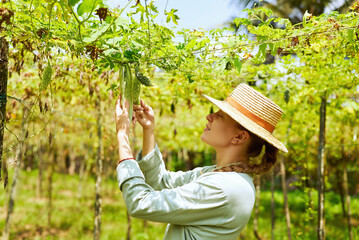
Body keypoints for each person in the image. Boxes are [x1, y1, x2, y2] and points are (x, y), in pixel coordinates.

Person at [115, 83, 288, 240]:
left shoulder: (224, 187)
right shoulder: (219, 174)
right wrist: (149, 131)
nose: (209, 116)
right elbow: (162, 183)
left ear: (239, 136)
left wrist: (122, 136)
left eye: (220, 116)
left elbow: (141, 204)